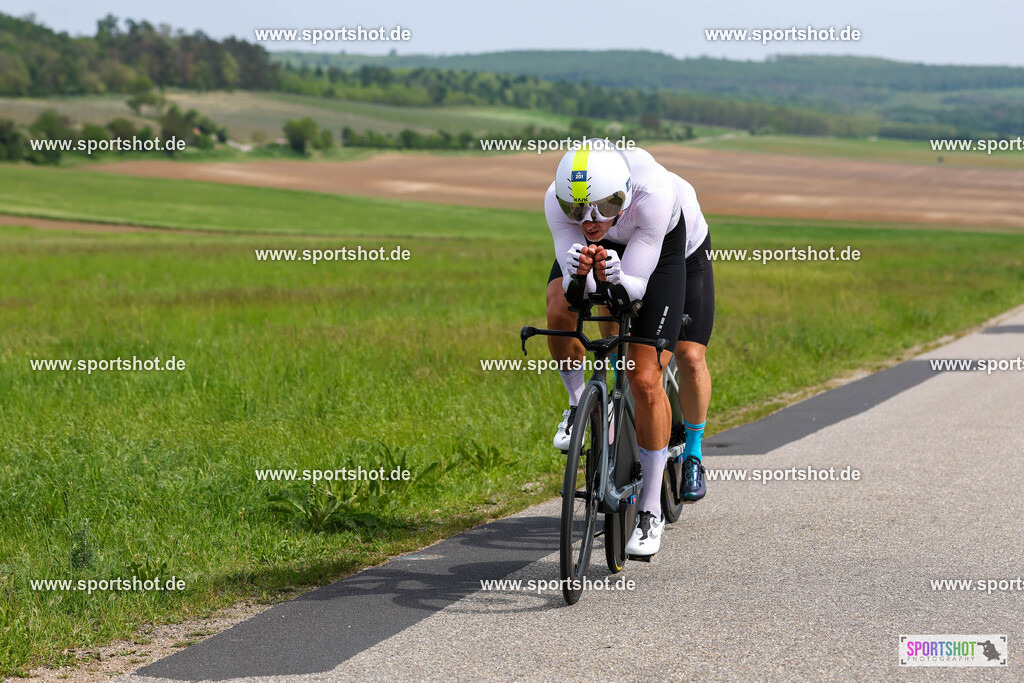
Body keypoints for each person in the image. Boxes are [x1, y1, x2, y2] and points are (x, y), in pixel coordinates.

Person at [544, 141, 715, 557]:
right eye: (576, 211)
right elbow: (575, 292)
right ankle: (577, 403)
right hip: (618, 245)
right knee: (558, 305)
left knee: (653, 373)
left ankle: (657, 501)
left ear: (622, 192)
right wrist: (582, 278)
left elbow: (636, 287)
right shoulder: (556, 200)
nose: (588, 221)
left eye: (603, 206)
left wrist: (616, 280)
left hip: (673, 247)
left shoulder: (654, 193)